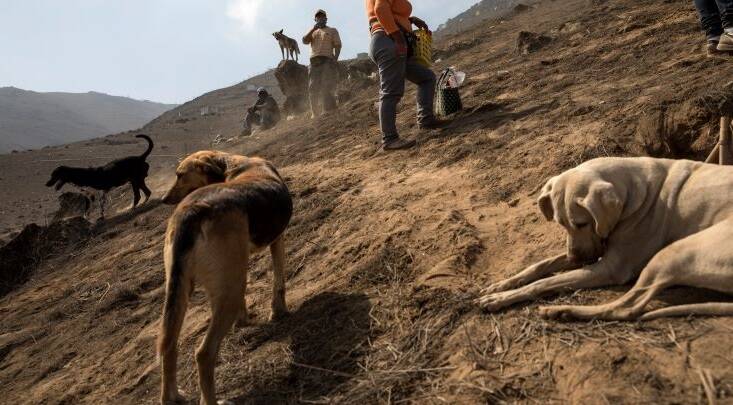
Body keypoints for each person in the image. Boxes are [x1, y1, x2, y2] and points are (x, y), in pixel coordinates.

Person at [366, 0, 446, 151]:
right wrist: (398, 38)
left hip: (386, 41)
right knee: (390, 93)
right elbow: (380, 9)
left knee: (426, 77)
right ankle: (389, 139)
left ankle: (426, 120)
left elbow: (390, 11)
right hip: (388, 42)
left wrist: (410, 20)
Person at [303, 9, 342, 118]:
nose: (320, 19)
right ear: (315, 19)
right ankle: (315, 113)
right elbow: (304, 41)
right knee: (312, 87)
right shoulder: (312, 32)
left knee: (326, 85)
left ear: (326, 18)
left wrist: (335, 59)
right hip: (314, 62)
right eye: (318, 17)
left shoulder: (333, 30)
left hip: (327, 61)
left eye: (322, 17)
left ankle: (328, 110)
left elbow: (338, 45)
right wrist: (313, 29)